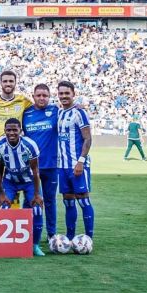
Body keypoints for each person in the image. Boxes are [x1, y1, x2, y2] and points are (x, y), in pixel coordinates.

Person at [0, 118, 45, 256]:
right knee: (3, 208)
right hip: (10, 181)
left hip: (29, 181)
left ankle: (35, 245)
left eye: (15, 130)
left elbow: (35, 170)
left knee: (37, 210)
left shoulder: (29, 144)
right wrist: (2, 193)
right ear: (4, 131)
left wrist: (37, 194)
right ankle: (5, 244)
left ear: (20, 131)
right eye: (8, 130)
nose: (11, 133)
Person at [57, 81, 95, 240]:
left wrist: (81, 161)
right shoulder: (59, 113)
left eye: (67, 93)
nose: (64, 96)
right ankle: (70, 237)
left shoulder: (79, 113)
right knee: (68, 202)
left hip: (77, 165)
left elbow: (88, 138)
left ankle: (88, 238)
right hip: (62, 166)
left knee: (83, 200)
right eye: (61, 93)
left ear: (73, 94)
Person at [23, 84, 59, 237]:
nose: (42, 98)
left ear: (49, 96)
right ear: (33, 96)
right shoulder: (26, 113)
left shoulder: (56, 111)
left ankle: (52, 235)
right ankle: (27, 235)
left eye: (45, 95)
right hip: (31, 167)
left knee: (49, 201)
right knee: (30, 200)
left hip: (51, 165)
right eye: (38, 95)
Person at [0, 70, 32, 138]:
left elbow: (37, 108)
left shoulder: (23, 100)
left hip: (15, 141)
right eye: (5, 81)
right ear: (0, 83)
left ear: (15, 83)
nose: (8, 84)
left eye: (11, 81)